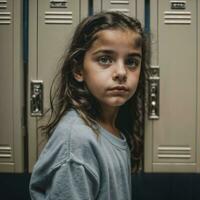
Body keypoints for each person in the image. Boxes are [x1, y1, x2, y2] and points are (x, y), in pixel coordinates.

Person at [29, 11, 149, 200]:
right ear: (78, 70)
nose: (121, 72)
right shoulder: (78, 141)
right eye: (104, 59)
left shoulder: (113, 128)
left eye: (131, 62)